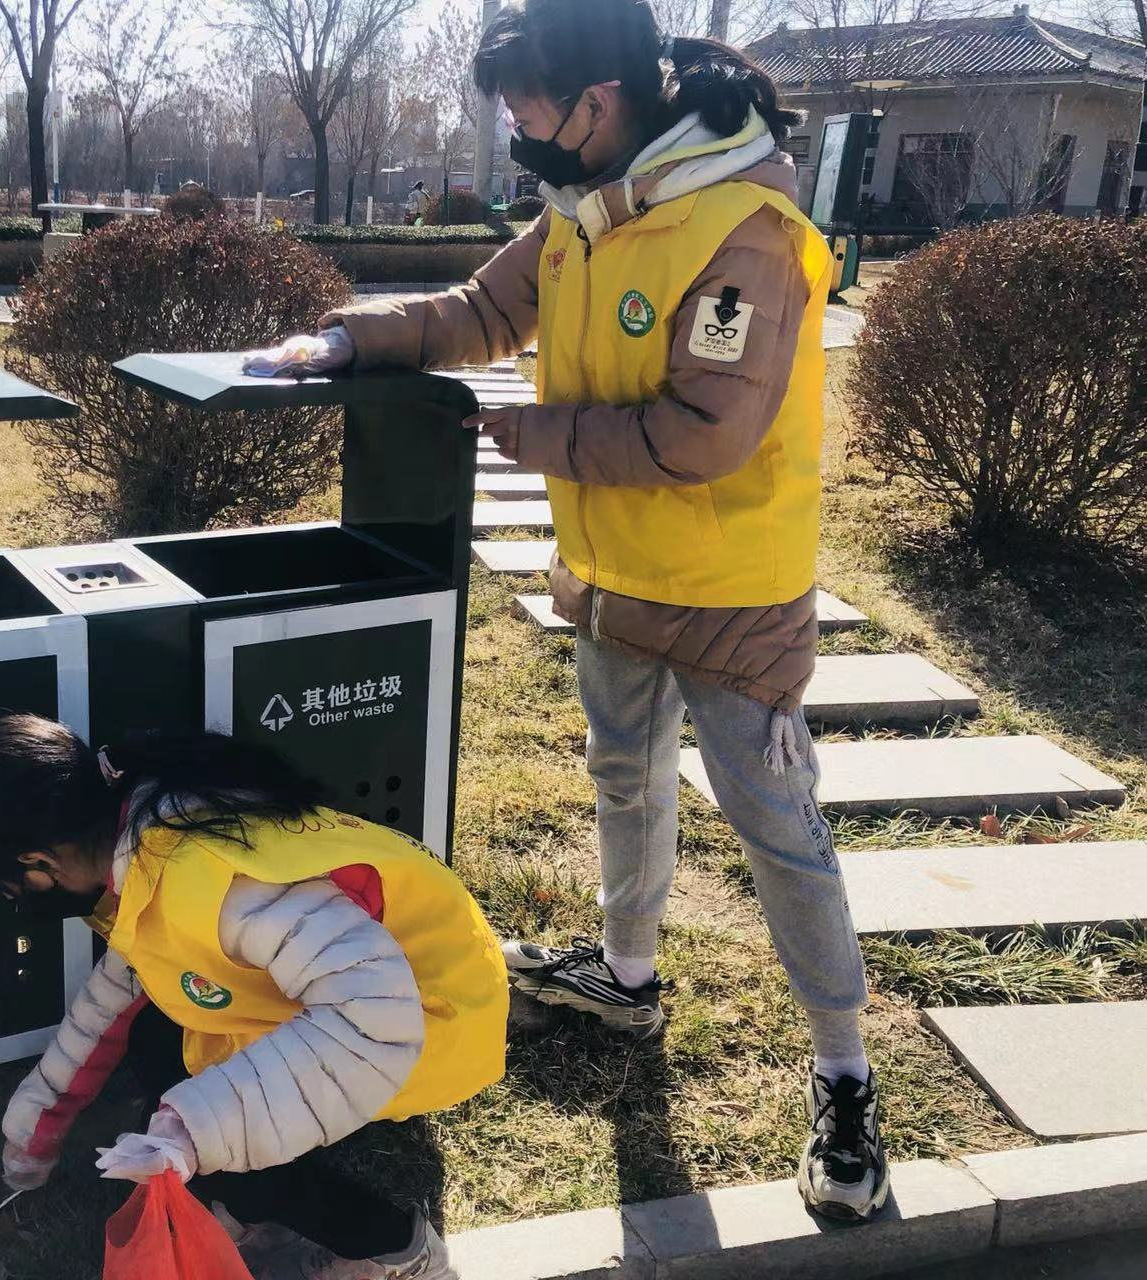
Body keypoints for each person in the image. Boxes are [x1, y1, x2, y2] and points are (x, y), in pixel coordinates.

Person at [245, 0, 888, 1223]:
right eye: (511, 114)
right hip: (608, 569)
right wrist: (341, 341)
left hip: (730, 595)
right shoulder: (583, 209)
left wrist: (533, 437)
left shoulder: (740, 227)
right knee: (621, 777)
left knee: (774, 830)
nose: (521, 133)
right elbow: (483, 312)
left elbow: (705, 431)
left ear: (605, 95)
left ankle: (844, 1073)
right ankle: (626, 975)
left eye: (534, 111)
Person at [0, 714, 508, 1279]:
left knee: (223, 1146)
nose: (15, 904)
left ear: (40, 863)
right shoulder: (144, 837)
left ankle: (397, 1250)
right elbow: (122, 990)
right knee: (166, 1048)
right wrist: (39, 1127)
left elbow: (373, 1019)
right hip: (367, 987)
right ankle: (253, 1205)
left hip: (431, 1013)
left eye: (9, 891)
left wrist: (195, 1134)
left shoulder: (208, 878)